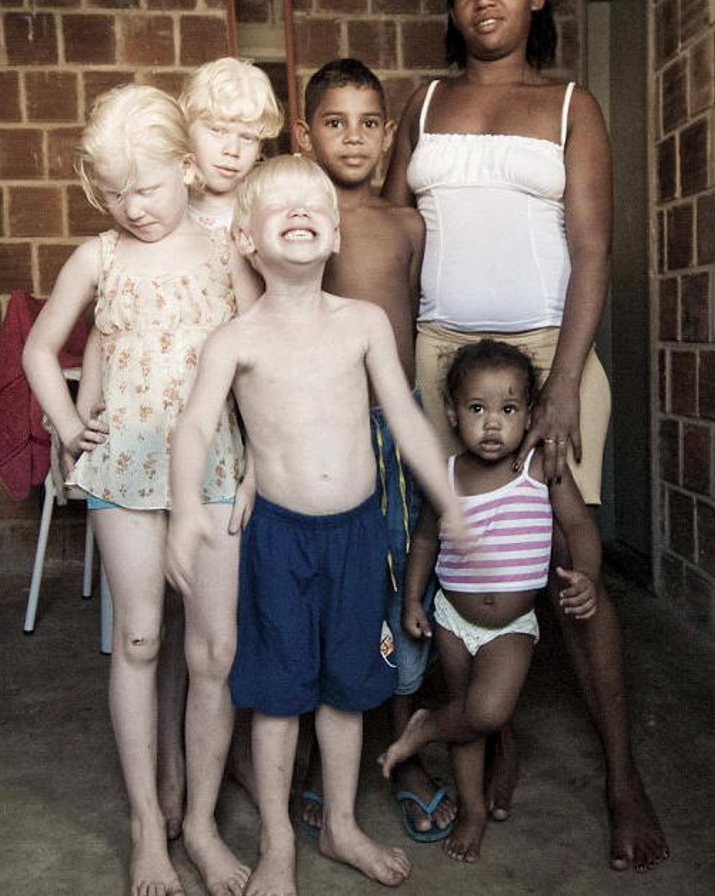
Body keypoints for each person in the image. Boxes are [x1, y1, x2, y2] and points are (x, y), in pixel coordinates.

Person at [381, 0, 669, 871]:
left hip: (549, 353)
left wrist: (559, 390)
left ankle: (623, 779)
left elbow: (593, 250)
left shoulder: (570, 105)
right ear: (452, 6)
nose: (484, 1)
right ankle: (488, 736)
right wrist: (376, 367)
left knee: (570, 568)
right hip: (436, 358)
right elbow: (387, 237)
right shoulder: (420, 105)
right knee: (453, 559)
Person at [166, 155, 466, 895]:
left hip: (359, 537)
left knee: (347, 692)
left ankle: (340, 823)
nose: (301, 213)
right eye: (281, 207)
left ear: (332, 236)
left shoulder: (362, 323)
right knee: (278, 700)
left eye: (315, 207)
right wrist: (181, 515)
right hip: (277, 540)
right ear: (246, 239)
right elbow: (195, 429)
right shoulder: (234, 341)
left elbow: (404, 419)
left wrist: (450, 501)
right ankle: (277, 844)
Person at [23, 84, 260, 896]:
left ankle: (196, 822)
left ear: (188, 171)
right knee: (139, 639)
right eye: (115, 192)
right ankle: (143, 825)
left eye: (148, 187)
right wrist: (63, 422)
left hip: (217, 472)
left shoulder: (226, 251)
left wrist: (262, 453)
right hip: (125, 470)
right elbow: (39, 348)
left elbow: (260, 351)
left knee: (215, 650)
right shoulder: (101, 257)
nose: (133, 208)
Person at [73, 58, 283, 841]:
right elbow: (113, 317)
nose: (231, 149)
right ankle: (159, 787)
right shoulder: (148, 205)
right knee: (147, 635)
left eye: (246, 137)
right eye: (218, 130)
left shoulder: (246, 222)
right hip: (137, 455)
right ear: (188, 138)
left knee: (213, 638)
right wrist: (87, 395)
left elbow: (268, 335)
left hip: (218, 456)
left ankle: (204, 792)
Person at [292, 58, 454, 843]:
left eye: (367, 122)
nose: (352, 137)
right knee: (328, 587)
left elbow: (411, 330)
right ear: (303, 133)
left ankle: (401, 746)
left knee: (399, 584)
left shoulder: (407, 226)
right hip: (318, 428)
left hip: (394, 430)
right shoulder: (297, 220)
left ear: (389, 136)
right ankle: (328, 759)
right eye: (333, 121)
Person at [379, 339, 600, 863]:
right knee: (471, 725)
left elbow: (577, 525)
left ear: (530, 414)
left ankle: (425, 727)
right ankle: (472, 807)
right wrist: (413, 599)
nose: (493, 424)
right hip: (453, 620)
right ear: (453, 415)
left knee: (485, 709)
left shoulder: (541, 468)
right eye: (478, 410)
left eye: (508, 409)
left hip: (511, 626)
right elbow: (427, 541)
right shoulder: (449, 475)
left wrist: (587, 574)